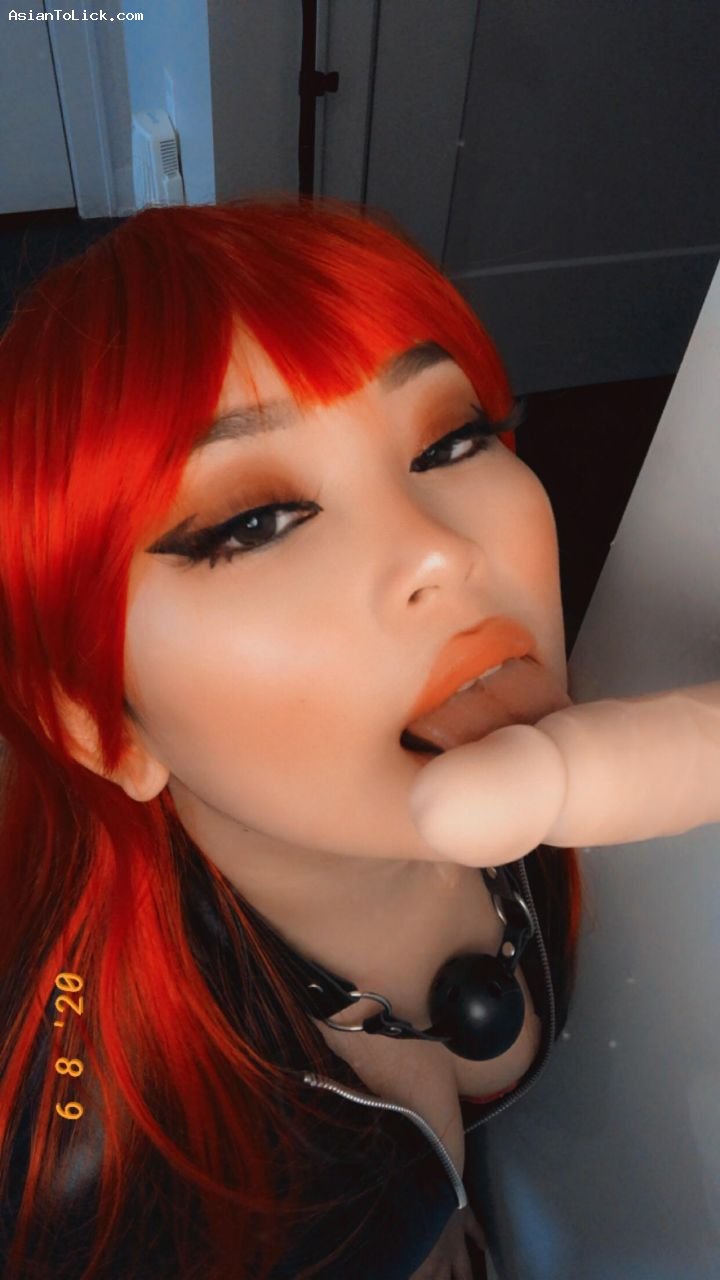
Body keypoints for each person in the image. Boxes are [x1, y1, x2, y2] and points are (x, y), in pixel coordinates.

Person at [2, 195, 717, 1280]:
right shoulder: (85, 1177)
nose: (444, 552)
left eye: (451, 437)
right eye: (254, 523)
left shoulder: (585, 758)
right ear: (103, 728)